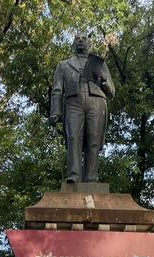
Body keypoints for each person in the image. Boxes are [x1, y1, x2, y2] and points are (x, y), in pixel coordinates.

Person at [49, 34, 115, 183]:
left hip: (96, 101)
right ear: (73, 44)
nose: (80, 41)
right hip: (73, 102)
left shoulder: (99, 64)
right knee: (73, 138)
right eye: (77, 39)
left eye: (84, 39)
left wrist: (103, 80)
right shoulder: (63, 65)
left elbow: (112, 91)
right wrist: (55, 111)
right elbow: (57, 89)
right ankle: (74, 175)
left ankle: (92, 178)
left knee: (94, 140)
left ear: (89, 44)